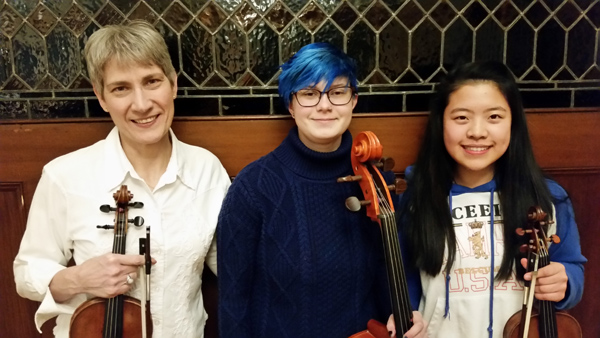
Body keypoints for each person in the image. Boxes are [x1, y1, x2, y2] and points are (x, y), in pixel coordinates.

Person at [13, 21, 230, 337]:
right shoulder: (64, 176)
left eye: (152, 81)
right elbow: (26, 272)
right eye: (120, 88)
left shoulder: (206, 169)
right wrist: (79, 279)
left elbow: (228, 261)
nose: (141, 104)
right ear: (101, 98)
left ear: (173, 84)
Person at [217, 42, 426, 338]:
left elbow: (387, 279)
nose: (324, 105)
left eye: (338, 92)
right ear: (291, 104)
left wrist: (404, 317)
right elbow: (233, 303)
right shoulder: (254, 188)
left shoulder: (380, 181)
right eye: (309, 93)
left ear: (353, 100)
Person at [394, 61, 586, 338]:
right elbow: (405, 277)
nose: (477, 132)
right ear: (441, 123)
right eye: (461, 118)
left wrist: (565, 282)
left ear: (513, 123)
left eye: (494, 117)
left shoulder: (547, 198)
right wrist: (405, 313)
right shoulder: (416, 198)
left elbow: (571, 266)